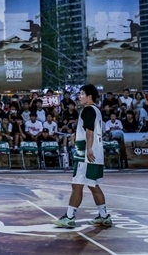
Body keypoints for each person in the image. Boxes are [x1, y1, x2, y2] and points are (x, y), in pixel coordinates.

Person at [53, 84, 112, 229]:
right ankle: (104, 216)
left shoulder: (88, 110)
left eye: (82, 94)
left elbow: (89, 131)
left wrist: (88, 149)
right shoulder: (97, 110)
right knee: (93, 184)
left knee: (77, 185)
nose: (79, 96)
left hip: (86, 154)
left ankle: (69, 217)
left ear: (89, 96)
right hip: (96, 153)